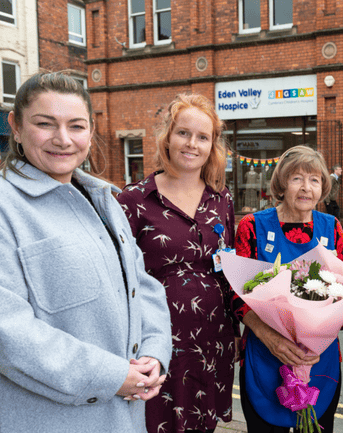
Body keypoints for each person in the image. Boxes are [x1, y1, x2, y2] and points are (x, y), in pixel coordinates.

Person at [0, 71, 172, 432]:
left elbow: (142, 284)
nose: (62, 140)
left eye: (75, 126)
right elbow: (9, 333)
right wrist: (111, 375)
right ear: (16, 126)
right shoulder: (6, 208)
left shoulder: (106, 200)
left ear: (91, 130)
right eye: (45, 124)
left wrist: (156, 353)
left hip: (124, 416)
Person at [117, 93, 238, 433]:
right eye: (183, 133)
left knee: (202, 423)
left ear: (212, 146)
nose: (192, 144)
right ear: (168, 137)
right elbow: (119, 279)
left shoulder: (221, 198)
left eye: (203, 137)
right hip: (157, 342)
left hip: (213, 339)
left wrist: (238, 332)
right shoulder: (134, 200)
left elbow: (226, 266)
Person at [234, 145, 343, 433]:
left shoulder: (332, 227)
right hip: (265, 356)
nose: (306, 187)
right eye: (297, 178)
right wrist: (270, 337)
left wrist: (316, 337)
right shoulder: (252, 226)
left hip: (319, 361)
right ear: (282, 184)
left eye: (314, 179)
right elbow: (236, 296)